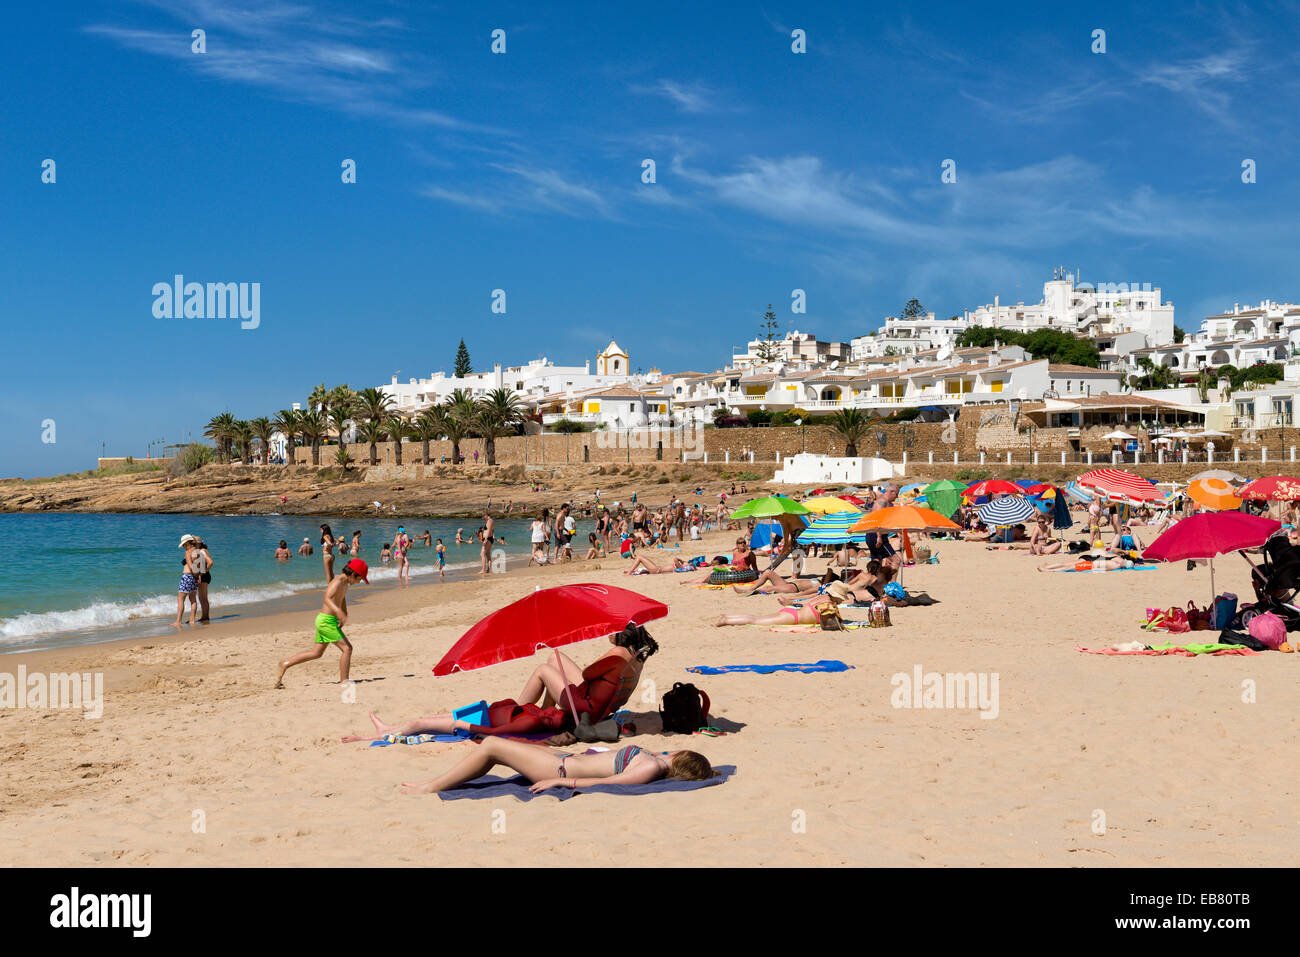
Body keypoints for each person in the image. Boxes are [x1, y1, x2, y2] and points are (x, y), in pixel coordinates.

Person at [399, 737, 713, 795]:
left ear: (682, 758)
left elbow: (611, 783)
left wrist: (563, 784)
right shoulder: (653, 757)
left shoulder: (651, 768)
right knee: (493, 748)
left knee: (493, 746)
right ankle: (435, 782)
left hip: (557, 771)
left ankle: (431, 786)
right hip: (560, 761)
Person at [516, 623, 658, 723]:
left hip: (587, 709)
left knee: (543, 669)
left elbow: (587, 674)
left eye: (611, 629)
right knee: (554, 659)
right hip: (602, 706)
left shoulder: (618, 653)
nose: (607, 632)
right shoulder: (638, 655)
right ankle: (546, 710)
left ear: (621, 633)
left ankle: (514, 710)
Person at [275, 558, 368, 687]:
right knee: (347, 648)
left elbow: (341, 598)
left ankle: (285, 663)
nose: (360, 581)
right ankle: (344, 681)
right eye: (360, 579)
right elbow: (327, 598)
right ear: (353, 574)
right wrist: (338, 611)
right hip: (325, 621)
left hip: (327, 620)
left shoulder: (345, 583)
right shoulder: (337, 581)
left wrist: (344, 612)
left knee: (316, 653)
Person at [342, 699, 570, 743]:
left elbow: (497, 732)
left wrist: (466, 727)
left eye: (551, 719)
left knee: (420, 724)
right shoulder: (539, 713)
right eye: (553, 711)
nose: (548, 713)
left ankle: (375, 735)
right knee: (427, 720)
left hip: (478, 720)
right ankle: (388, 728)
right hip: (480, 710)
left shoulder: (531, 722)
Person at [173, 534, 201, 627]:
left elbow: (190, 565)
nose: (183, 547)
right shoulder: (198, 551)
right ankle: (192, 620)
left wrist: (193, 573)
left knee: (180, 599)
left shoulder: (188, 552)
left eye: (184, 545)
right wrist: (197, 576)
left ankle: (178, 621)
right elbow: (199, 566)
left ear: (188, 543)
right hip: (195, 577)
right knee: (193, 599)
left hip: (187, 576)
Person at [190, 537, 215, 622]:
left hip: (204, 575)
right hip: (205, 575)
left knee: (203, 598)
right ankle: (204, 616)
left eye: (194, 543)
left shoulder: (202, 551)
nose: (192, 544)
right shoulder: (201, 550)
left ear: (199, 543)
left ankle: (205, 617)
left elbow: (210, 562)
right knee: (202, 597)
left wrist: (203, 572)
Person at [480, 511, 496, 575]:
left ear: (486, 515)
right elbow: (492, 530)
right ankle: (488, 570)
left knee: (482, 553)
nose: (484, 517)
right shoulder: (491, 521)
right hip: (490, 538)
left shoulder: (489, 521)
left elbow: (489, 530)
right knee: (487, 554)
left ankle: (483, 570)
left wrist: (485, 539)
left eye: (484, 516)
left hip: (488, 539)